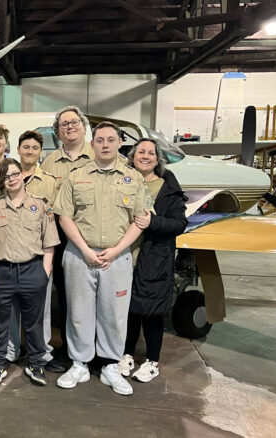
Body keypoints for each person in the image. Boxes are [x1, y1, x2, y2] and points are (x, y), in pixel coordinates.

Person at [52, 121, 150, 396]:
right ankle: (79, 363)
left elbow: (141, 220)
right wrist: (84, 249)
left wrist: (117, 250)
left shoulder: (134, 179)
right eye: (100, 140)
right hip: (79, 254)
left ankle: (110, 366)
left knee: (114, 315)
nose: (105, 144)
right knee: (78, 313)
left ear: (120, 143)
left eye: (110, 140)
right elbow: (64, 215)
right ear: (92, 144)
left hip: (116, 258)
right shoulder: (76, 176)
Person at [0, 158, 60, 387]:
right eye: (6, 176)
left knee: (33, 323)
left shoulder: (40, 205)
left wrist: (44, 272)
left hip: (32, 270)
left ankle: (37, 363)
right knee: (0, 323)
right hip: (2, 272)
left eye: (15, 174)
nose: (12, 179)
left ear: (23, 175)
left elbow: (49, 242)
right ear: (1, 181)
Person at [119, 139, 187, 383]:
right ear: (132, 157)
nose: (145, 156)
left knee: (152, 312)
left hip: (154, 259)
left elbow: (180, 224)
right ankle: (126, 355)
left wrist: (153, 223)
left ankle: (152, 361)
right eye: (140, 152)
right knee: (128, 311)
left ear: (157, 159)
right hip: (126, 256)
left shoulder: (167, 188)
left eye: (150, 153)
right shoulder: (123, 181)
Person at [6, 130, 65, 373]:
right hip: (9, 252)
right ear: (18, 149)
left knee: (40, 308)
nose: (29, 151)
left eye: (34, 148)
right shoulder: (7, 175)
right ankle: (11, 350)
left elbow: (52, 220)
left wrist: (48, 258)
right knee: (10, 307)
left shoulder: (49, 182)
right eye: (25, 147)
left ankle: (40, 351)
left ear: (41, 153)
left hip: (39, 254)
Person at [39, 105, 94, 365]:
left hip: (92, 238)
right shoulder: (49, 162)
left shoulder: (99, 155)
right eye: (64, 124)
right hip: (61, 239)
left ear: (83, 126)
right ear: (58, 132)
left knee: (91, 295)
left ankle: (93, 348)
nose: (70, 127)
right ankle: (67, 349)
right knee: (65, 294)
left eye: (74, 122)